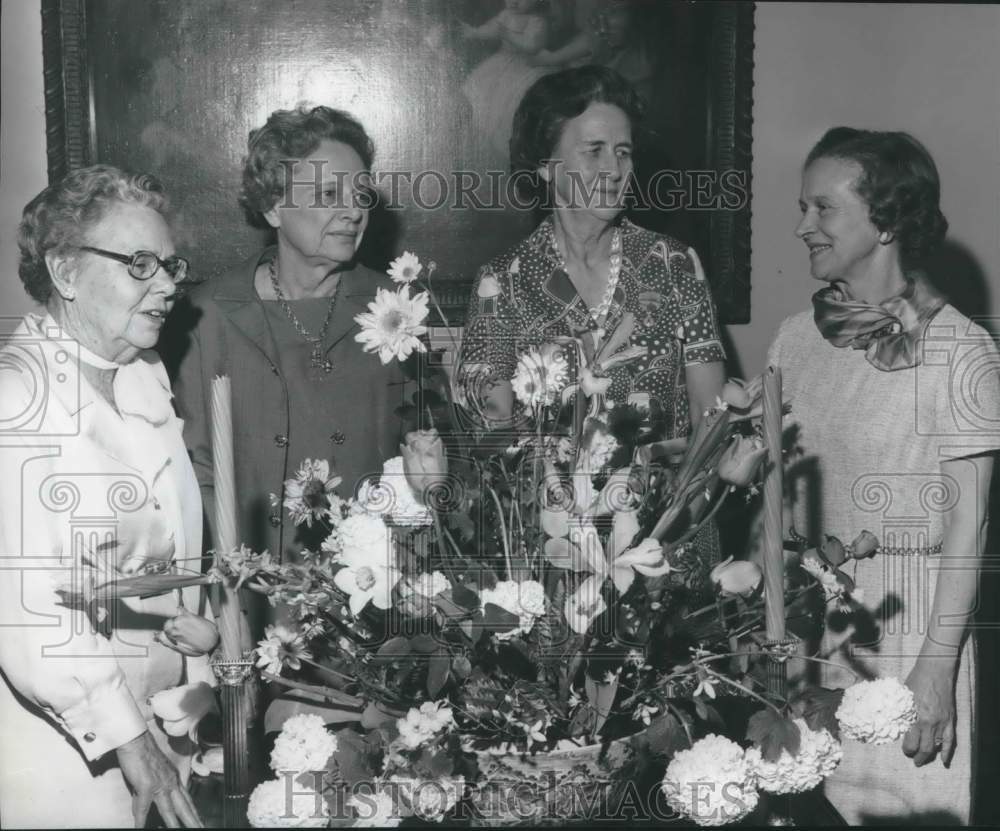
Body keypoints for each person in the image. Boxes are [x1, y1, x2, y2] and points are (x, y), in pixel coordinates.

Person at [766, 127, 1000, 824]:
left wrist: (935, 665)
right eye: (802, 207)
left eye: (823, 208)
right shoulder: (794, 339)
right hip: (812, 630)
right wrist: (775, 634)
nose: (802, 225)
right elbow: (777, 497)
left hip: (910, 627)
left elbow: (970, 526)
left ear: (888, 219)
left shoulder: (961, 351)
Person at [0, 165, 216, 828]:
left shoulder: (143, 373)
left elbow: (178, 554)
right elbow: (35, 614)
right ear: (65, 273)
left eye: (171, 265)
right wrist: (130, 738)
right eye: (140, 264)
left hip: (163, 727)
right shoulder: (15, 401)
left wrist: (203, 680)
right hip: (72, 755)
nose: (168, 286)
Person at [459, 65, 726, 563]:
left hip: (664, 542)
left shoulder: (674, 265)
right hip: (550, 551)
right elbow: (491, 436)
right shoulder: (503, 283)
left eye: (624, 152)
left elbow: (712, 422)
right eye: (594, 150)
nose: (615, 169)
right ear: (545, 166)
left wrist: (681, 520)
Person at [164, 104, 406, 573]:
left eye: (360, 195)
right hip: (248, 591)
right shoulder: (206, 315)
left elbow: (415, 457)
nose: (353, 212)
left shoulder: (394, 308)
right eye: (329, 193)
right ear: (274, 206)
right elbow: (193, 473)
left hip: (370, 589)